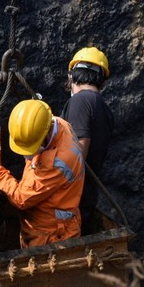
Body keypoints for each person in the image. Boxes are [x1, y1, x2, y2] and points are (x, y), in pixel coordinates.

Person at [0, 99, 85, 248]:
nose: (25, 157)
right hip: (52, 221)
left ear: (44, 138)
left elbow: (20, 198)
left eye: (29, 151)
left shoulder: (55, 162)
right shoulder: (57, 123)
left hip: (52, 235)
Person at [60, 47, 114, 235]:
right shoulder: (104, 108)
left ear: (71, 76)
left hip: (72, 198)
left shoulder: (80, 101)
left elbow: (78, 153)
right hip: (87, 195)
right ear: (103, 81)